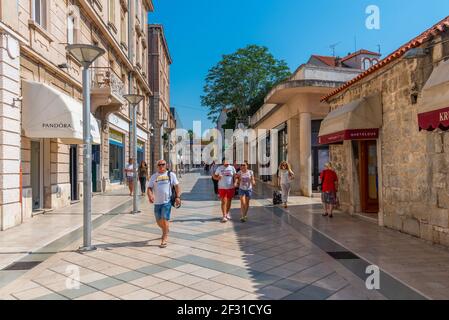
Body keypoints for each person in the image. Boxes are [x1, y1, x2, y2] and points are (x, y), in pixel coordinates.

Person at [147, 160, 181, 248]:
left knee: (165, 219)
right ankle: (166, 230)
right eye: (159, 165)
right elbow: (149, 188)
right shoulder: (154, 176)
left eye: (163, 164)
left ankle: (164, 238)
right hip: (157, 202)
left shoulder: (171, 175)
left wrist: (178, 197)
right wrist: (150, 196)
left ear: (166, 165)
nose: (161, 166)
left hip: (167, 202)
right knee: (158, 221)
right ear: (157, 166)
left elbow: (176, 186)